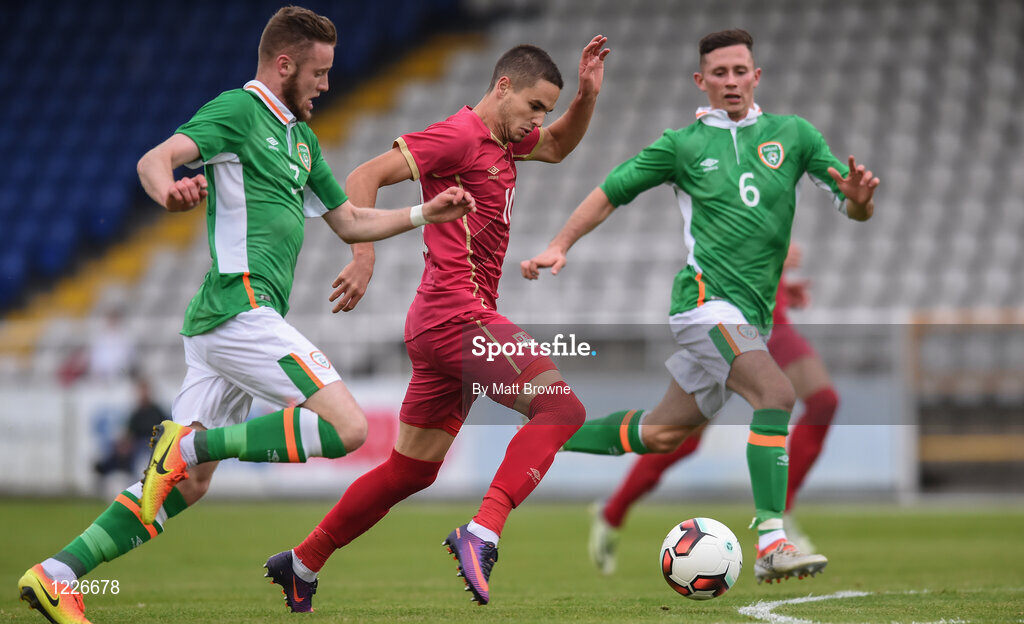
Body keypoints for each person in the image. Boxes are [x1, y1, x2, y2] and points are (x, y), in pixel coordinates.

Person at [17, 7, 474, 624]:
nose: (326, 84)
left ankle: (56, 574)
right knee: (348, 428)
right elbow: (155, 159)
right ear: (284, 64)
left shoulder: (303, 140)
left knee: (189, 484)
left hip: (224, 325)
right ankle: (187, 444)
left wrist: (424, 214)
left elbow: (349, 222)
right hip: (241, 307)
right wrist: (169, 190)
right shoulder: (238, 110)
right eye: (318, 71)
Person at [259, 37, 611, 611]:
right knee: (562, 408)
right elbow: (364, 176)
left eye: (545, 110)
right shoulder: (459, 135)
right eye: (534, 107)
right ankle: (483, 531)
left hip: (442, 322)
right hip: (456, 315)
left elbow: (559, 147)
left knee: (410, 471)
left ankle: (301, 563)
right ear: (503, 88)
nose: (538, 122)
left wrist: (588, 94)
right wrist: (362, 255)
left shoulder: (504, 141)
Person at [521, 28, 878, 584]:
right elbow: (613, 189)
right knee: (777, 393)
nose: (731, 81)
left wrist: (858, 201)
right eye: (720, 73)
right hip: (705, 306)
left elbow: (850, 202)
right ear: (701, 80)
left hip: (750, 318)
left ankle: (549, 432)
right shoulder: (683, 145)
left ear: (756, 76)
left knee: (665, 434)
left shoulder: (797, 136)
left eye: (741, 71)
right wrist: (560, 244)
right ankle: (772, 541)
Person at [586, 244, 841, 576]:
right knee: (678, 437)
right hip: (728, 322)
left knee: (824, 401)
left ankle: (780, 521)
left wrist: (777, 281)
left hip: (770, 320)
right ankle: (612, 511)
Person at [93, 372, 169, 478]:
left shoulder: (157, 412)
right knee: (118, 448)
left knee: (137, 450)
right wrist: (124, 444)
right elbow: (129, 432)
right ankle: (105, 468)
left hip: (150, 445)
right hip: (137, 444)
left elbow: (166, 432)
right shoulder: (136, 413)